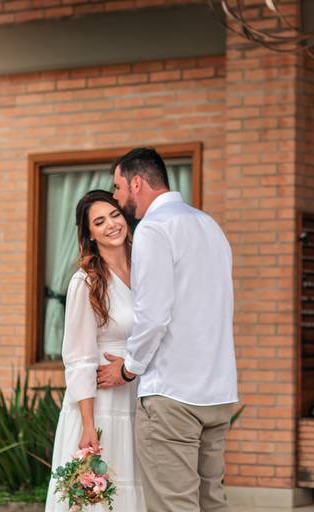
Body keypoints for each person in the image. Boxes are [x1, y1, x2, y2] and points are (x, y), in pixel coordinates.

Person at [97, 148, 238, 512]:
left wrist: (129, 367)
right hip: (218, 393)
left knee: (174, 506)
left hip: (172, 396)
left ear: (137, 183)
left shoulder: (154, 229)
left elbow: (153, 315)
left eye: (118, 187)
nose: (115, 196)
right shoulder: (210, 226)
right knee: (212, 504)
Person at [46, 190, 145, 511]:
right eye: (99, 222)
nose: (111, 225)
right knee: (98, 494)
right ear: (90, 233)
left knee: (137, 484)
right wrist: (88, 424)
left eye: (115, 215)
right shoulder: (85, 282)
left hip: (139, 392)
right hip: (100, 402)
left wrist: (131, 367)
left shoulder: (147, 268)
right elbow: (78, 358)